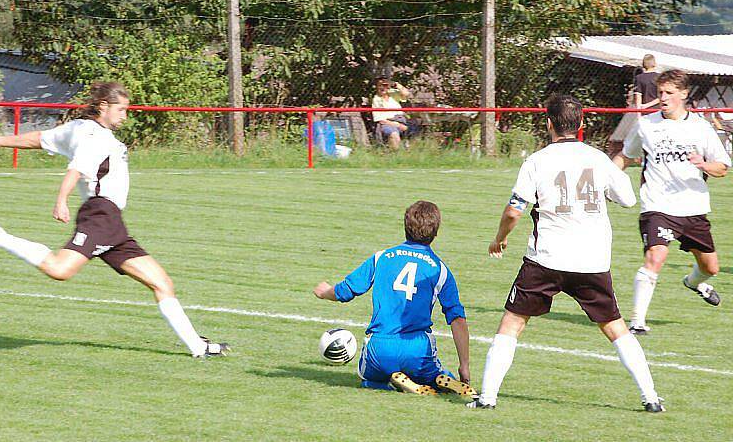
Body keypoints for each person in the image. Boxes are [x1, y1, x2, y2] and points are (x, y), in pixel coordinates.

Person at [0, 81, 229, 359]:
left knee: (162, 283)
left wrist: (0, 140)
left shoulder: (75, 128)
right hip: (100, 215)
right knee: (59, 270)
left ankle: (199, 347)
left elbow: (39, 139)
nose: (125, 115)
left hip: (112, 223)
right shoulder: (96, 137)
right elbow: (77, 168)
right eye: (121, 109)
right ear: (103, 106)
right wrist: (61, 200)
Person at [470, 94, 664, 412]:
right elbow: (628, 198)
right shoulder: (598, 158)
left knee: (512, 323)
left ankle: (487, 398)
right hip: (592, 259)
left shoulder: (537, 161)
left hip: (546, 257)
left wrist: (499, 238)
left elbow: (514, 211)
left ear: (548, 124)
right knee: (616, 327)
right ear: (581, 125)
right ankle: (651, 398)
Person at [312, 201, 474, 397]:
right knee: (434, 374)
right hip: (418, 350)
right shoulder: (440, 270)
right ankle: (438, 377)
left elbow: (346, 291)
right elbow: (457, 319)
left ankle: (386, 382)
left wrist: (325, 291)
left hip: (380, 348)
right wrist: (464, 365)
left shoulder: (382, 258)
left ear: (405, 226)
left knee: (368, 378)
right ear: (436, 232)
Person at [613, 70, 731, 335]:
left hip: (693, 207)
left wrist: (703, 164)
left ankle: (694, 283)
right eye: (660, 92)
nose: (662, 98)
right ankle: (637, 322)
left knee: (710, 268)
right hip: (657, 205)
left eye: (668, 93)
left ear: (683, 94)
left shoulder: (700, 127)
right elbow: (626, 156)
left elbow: (722, 167)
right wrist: (605, 179)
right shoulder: (646, 125)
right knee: (656, 256)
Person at [371, 77, 413, 150]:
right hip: (388, 123)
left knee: (418, 129)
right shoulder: (376, 99)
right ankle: (396, 155)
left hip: (402, 120)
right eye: (380, 85)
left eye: (385, 85)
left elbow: (406, 93)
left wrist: (395, 84)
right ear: (376, 87)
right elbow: (380, 120)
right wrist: (398, 125)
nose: (382, 88)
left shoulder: (393, 93)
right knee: (394, 134)